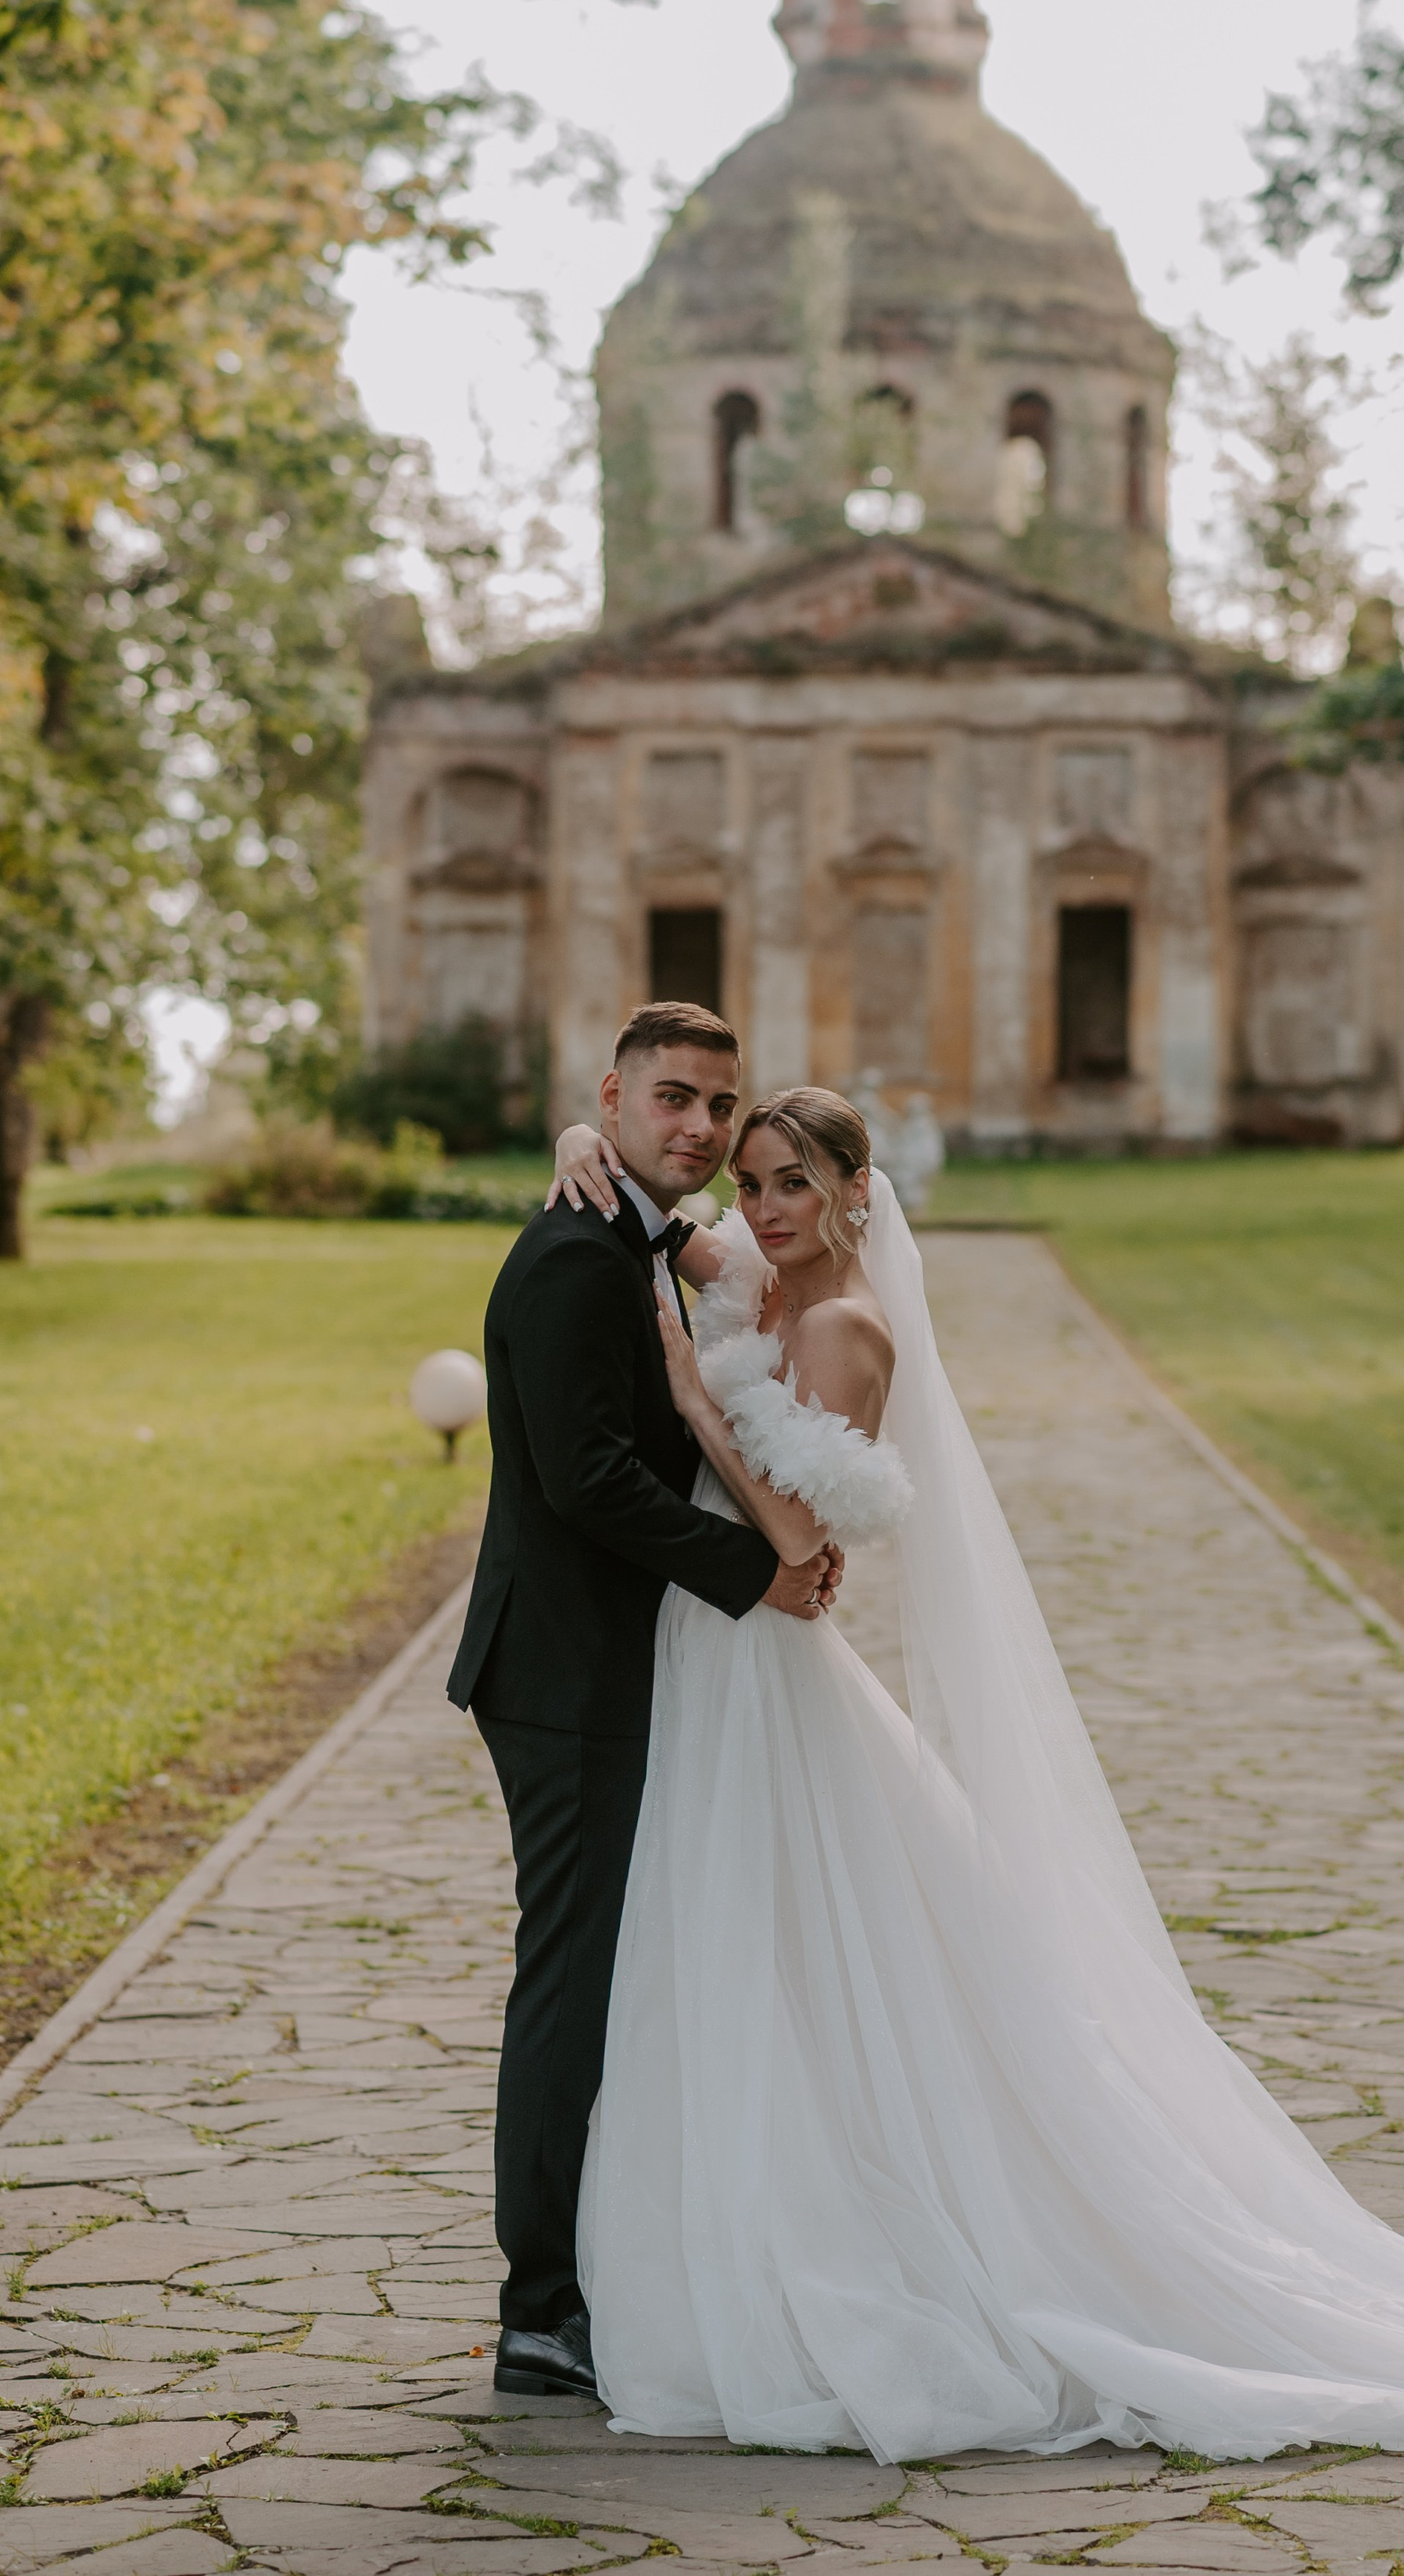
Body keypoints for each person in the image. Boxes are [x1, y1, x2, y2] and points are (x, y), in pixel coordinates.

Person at [539, 1082, 1404, 2461]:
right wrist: (583, 1142)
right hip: (718, 1667)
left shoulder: (846, 1324)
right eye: (753, 1182)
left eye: (789, 1185)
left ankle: (837, 2256)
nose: (759, 1208)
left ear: (853, 1196)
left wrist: (697, 1397)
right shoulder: (767, 1272)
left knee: (792, 1944)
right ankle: (728, 2236)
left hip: (762, 1658)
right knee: (734, 1951)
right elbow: (666, 1215)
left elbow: (790, 1540)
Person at [450, 1001, 841, 2403]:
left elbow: (679, 1241)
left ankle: (606, 2267)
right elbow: (588, 1481)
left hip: (615, 1659)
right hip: (563, 1673)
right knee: (569, 1977)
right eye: (668, 1099)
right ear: (615, 1095)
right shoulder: (570, 1258)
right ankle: (539, 2311)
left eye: (716, 1108)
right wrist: (758, 1575)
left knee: (609, 1966)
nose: (697, 1126)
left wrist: (602, 1157)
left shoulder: (630, 1228)